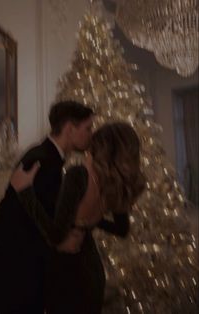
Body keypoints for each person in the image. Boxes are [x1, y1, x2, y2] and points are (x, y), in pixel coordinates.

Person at [11, 121, 146, 314]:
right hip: (92, 271)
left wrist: (25, 192)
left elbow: (56, 235)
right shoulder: (115, 184)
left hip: (68, 273)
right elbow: (122, 229)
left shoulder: (79, 175)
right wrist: (85, 224)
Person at [0, 101, 94, 314]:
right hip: (18, 281)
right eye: (87, 128)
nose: (91, 134)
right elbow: (13, 224)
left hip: (22, 279)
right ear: (70, 129)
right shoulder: (42, 161)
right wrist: (61, 241)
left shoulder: (47, 157)